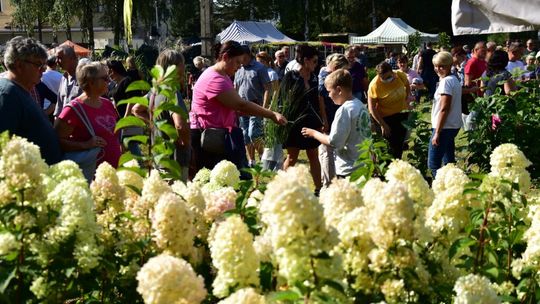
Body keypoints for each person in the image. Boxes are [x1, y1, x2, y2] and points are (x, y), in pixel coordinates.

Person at [189, 41, 287, 174]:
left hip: (217, 137)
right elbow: (240, 104)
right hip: (210, 140)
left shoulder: (223, 76)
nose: (239, 67)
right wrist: (271, 114)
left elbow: (232, 106)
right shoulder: (215, 78)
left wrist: (241, 112)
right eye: (237, 62)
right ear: (225, 58)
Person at [0, 36, 63, 165]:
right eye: (38, 64)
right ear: (19, 65)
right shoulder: (7, 94)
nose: (44, 69)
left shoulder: (20, 91)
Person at [132, 50, 191, 181]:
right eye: (182, 64)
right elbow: (180, 126)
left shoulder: (155, 90)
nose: (184, 68)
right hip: (174, 162)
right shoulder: (172, 92)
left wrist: (154, 124)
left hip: (158, 158)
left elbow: (136, 109)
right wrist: (186, 143)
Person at [301, 69, 371, 178]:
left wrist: (314, 133)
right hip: (364, 165)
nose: (328, 96)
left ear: (338, 90)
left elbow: (334, 142)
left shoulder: (344, 110)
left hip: (349, 169)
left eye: (329, 91)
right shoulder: (360, 105)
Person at [55, 62, 121, 173]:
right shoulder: (73, 109)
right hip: (90, 174)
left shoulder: (107, 104)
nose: (109, 81)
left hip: (113, 173)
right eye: (105, 78)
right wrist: (85, 145)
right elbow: (56, 140)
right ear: (91, 82)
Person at [281, 44, 325, 194]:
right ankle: (284, 189)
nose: (316, 64)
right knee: (292, 157)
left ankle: (319, 189)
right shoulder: (290, 76)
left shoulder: (314, 77)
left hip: (311, 122)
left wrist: (322, 121)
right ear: (306, 60)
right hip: (294, 122)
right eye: (314, 61)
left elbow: (318, 101)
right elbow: (284, 101)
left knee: (314, 155)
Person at [234, 46, 271, 167]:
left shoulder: (260, 68)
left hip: (256, 106)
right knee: (245, 135)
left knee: (253, 134)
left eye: (241, 55)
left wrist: (264, 108)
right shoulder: (238, 68)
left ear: (248, 54)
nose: (239, 58)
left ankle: (263, 157)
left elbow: (267, 89)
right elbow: (235, 88)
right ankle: (251, 161)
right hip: (241, 107)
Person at [428, 52, 462, 178]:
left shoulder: (446, 82)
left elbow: (444, 108)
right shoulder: (453, 79)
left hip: (443, 127)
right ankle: (455, 185)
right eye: (436, 66)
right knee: (449, 163)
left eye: (442, 66)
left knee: (433, 164)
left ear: (449, 65)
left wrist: (437, 132)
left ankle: (441, 188)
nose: (438, 69)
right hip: (452, 126)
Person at [318, 53, 349, 187]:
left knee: (331, 149)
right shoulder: (325, 77)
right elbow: (321, 101)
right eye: (343, 70)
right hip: (328, 117)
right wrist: (324, 120)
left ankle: (330, 179)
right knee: (326, 150)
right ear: (336, 67)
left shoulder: (328, 74)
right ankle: (328, 183)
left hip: (334, 114)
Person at [367, 61, 410, 159]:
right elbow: (372, 108)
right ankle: (386, 168)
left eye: (389, 76)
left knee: (399, 143)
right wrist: (383, 125)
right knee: (388, 146)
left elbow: (407, 85)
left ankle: (398, 165)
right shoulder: (374, 85)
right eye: (384, 78)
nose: (387, 79)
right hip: (385, 118)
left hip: (402, 113)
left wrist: (406, 98)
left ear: (392, 72)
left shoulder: (399, 75)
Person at [107, 59, 144, 156]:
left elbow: (132, 100)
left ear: (113, 70)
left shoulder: (127, 81)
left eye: (109, 70)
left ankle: (139, 165)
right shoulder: (115, 84)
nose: (108, 73)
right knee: (123, 144)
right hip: (120, 119)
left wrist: (126, 118)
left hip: (128, 119)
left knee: (131, 144)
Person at [463, 41, 487, 130]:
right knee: (471, 120)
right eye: (483, 50)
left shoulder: (483, 61)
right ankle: (471, 136)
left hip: (481, 95)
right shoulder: (472, 62)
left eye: (486, 50)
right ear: (476, 50)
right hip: (474, 96)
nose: (485, 52)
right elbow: (467, 82)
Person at [54, 45, 82, 118]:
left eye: (60, 58)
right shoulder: (63, 78)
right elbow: (59, 106)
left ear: (72, 58)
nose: (56, 61)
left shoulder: (83, 77)